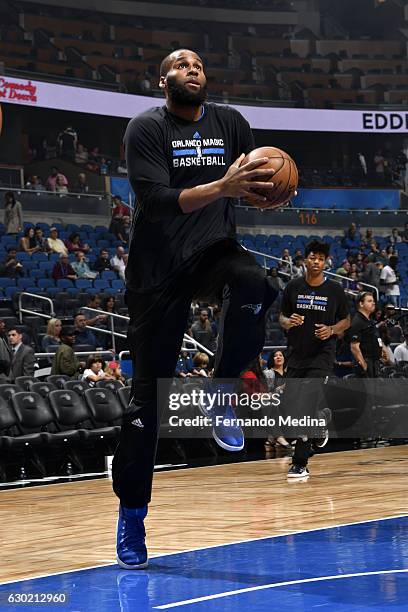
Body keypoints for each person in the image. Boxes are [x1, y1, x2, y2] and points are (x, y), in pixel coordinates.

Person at [112, 48, 280, 570]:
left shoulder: (232, 123)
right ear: (164, 80)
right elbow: (159, 200)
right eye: (182, 65)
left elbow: (254, 186)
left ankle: (223, 388)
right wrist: (223, 186)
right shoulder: (145, 129)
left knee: (258, 284)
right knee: (148, 404)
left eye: (199, 65)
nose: (193, 69)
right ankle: (133, 514)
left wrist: (268, 189)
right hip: (156, 270)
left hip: (212, 253)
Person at [279, 240, 350, 479]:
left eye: (320, 258)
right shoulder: (292, 287)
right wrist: (288, 322)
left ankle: (300, 462)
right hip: (296, 354)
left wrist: (331, 330)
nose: (316, 261)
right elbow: (281, 316)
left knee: (305, 404)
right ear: (305, 260)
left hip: (322, 354)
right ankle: (320, 423)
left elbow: (346, 321)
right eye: (312, 257)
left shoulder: (335, 290)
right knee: (289, 409)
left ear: (326, 262)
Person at [348, 292, 383, 378]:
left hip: (375, 363)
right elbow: (354, 347)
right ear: (361, 304)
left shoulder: (370, 321)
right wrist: (364, 365)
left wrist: (383, 349)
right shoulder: (357, 321)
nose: (373, 303)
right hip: (366, 363)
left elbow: (375, 338)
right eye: (370, 301)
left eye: (373, 301)